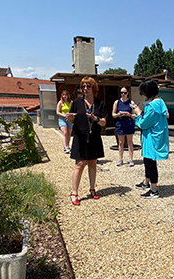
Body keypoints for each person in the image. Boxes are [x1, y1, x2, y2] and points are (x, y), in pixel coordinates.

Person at [65, 77, 107, 206]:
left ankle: (92, 188)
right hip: (80, 137)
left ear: (93, 88)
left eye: (88, 86)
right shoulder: (77, 102)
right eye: (83, 86)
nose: (85, 89)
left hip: (94, 137)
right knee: (80, 164)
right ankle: (74, 192)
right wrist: (70, 118)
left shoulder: (100, 104)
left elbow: (104, 123)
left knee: (93, 163)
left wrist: (96, 118)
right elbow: (71, 121)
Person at [133, 79, 169, 199]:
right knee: (147, 161)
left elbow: (143, 124)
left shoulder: (152, 106)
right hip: (156, 136)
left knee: (150, 163)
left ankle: (154, 190)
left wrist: (137, 114)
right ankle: (146, 182)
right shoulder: (160, 102)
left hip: (151, 138)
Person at [112, 87, 136, 167]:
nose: (123, 94)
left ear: (127, 93)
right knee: (121, 142)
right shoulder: (117, 102)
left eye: (125, 93)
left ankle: (131, 159)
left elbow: (135, 114)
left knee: (129, 142)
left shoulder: (131, 102)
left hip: (129, 123)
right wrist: (119, 114)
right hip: (120, 123)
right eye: (122, 93)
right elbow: (113, 114)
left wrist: (129, 115)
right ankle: (120, 159)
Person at [56, 88, 73, 154]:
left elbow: (73, 110)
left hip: (69, 119)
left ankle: (68, 146)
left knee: (69, 133)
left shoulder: (71, 102)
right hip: (62, 119)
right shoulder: (60, 103)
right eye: (63, 95)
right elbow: (57, 112)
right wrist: (64, 115)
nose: (64, 96)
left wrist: (70, 115)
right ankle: (65, 147)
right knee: (65, 133)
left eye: (66, 95)